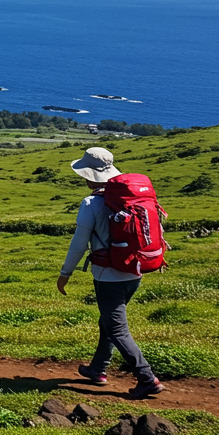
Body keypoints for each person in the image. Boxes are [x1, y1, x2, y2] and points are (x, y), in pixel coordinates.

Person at [57, 147, 165, 398]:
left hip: (108, 275)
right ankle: (98, 369)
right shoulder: (135, 199)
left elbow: (79, 243)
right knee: (108, 320)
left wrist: (65, 273)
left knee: (117, 328)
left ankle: (147, 378)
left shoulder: (91, 203)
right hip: (135, 270)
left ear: (90, 175)